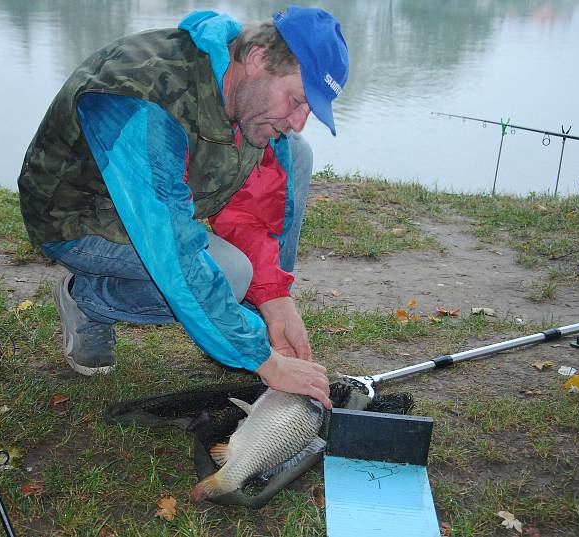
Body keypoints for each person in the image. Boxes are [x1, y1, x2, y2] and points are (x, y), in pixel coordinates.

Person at [17, 6, 348, 409]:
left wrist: (276, 299)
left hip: (158, 202)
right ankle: (88, 299)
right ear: (258, 57)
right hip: (75, 214)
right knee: (230, 274)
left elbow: (251, 210)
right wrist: (263, 360)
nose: (298, 120)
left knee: (294, 152)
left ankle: (237, 315)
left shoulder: (251, 97)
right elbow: (173, 251)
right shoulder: (143, 98)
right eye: (296, 100)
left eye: (309, 110)